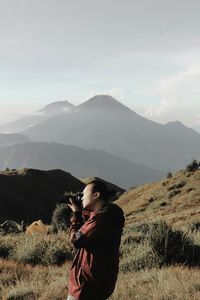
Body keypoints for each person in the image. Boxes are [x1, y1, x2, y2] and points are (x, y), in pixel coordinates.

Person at [66, 180, 125, 300]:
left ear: (96, 195)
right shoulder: (110, 213)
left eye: (84, 194)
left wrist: (76, 214)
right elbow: (91, 225)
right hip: (100, 282)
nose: (81, 198)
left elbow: (76, 240)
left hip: (85, 286)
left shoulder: (100, 219)